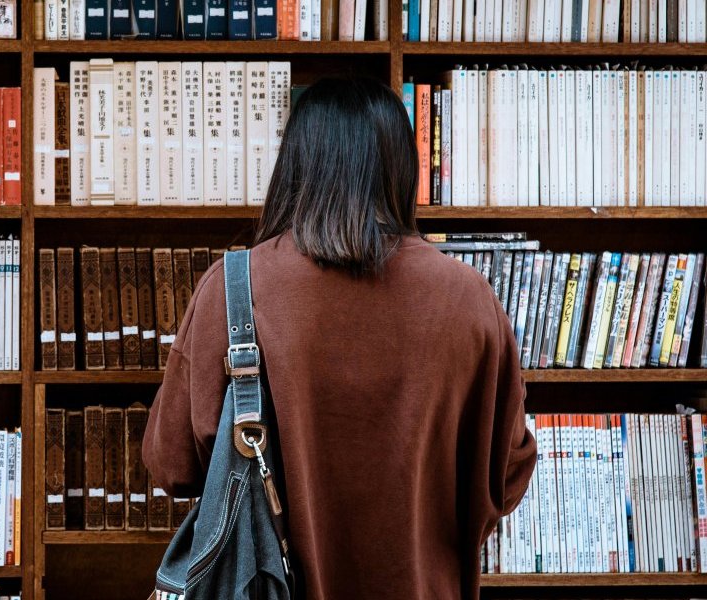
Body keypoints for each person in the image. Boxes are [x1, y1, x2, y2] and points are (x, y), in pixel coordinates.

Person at [142, 77, 537, 599]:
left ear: (295, 167)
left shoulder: (235, 289)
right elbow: (507, 478)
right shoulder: (468, 299)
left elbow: (172, 466)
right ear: (401, 170)